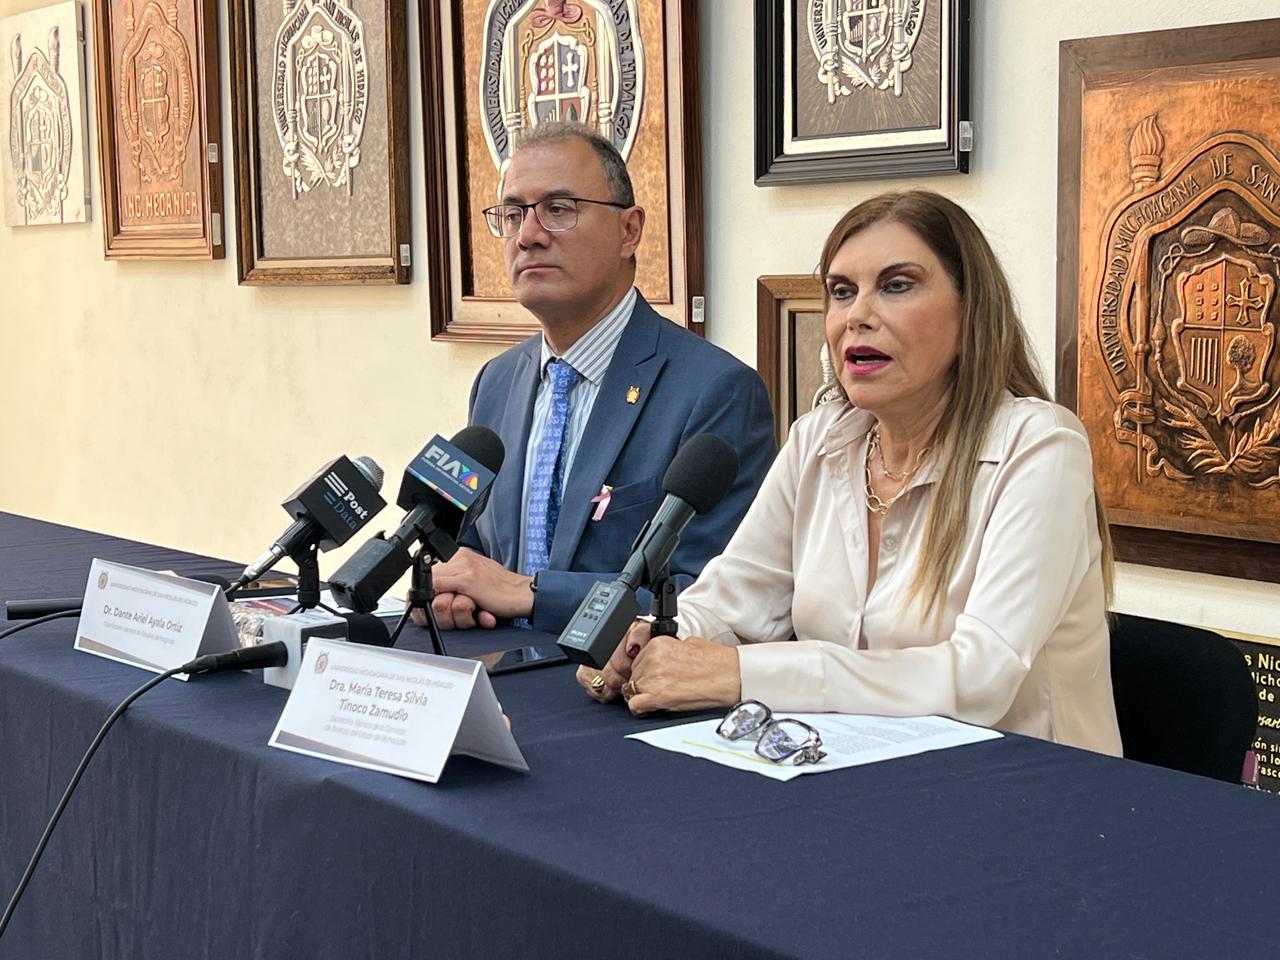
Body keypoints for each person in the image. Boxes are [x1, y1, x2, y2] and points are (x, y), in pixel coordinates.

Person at [578, 190, 1123, 756]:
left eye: (896, 285)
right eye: (841, 292)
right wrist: (655, 638)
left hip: (1028, 782)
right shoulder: (820, 438)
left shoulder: (1039, 446)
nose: (857, 315)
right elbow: (733, 602)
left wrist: (743, 674)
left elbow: (980, 678)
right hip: (855, 768)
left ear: (971, 311)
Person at [420, 122, 776, 635]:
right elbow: (474, 548)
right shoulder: (496, 382)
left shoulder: (717, 392)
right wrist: (449, 588)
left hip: (619, 677)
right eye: (514, 214)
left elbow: (706, 595)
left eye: (558, 210)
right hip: (493, 668)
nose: (528, 235)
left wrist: (530, 595)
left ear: (629, 231)